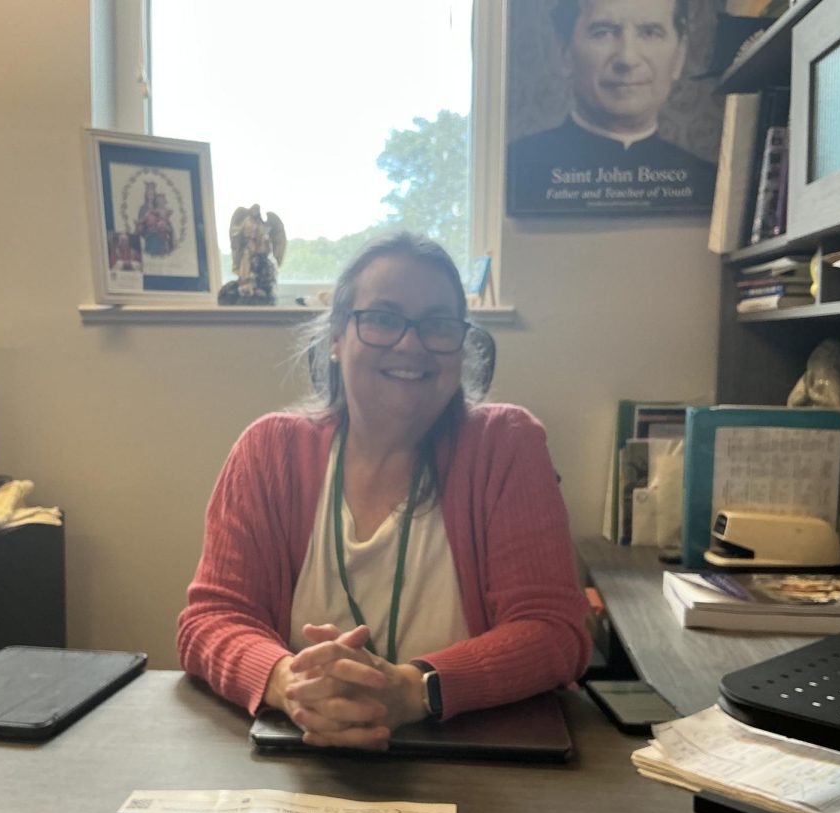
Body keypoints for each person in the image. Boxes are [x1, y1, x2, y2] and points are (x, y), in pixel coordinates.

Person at [178, 232, 591, 751]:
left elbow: (554, 632)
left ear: (461, 345)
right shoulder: (269, 450)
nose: (410, 345)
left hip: (476, 770)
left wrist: (414, 689)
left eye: (438, 324)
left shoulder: (506, 444)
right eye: (383, 318)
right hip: (298, 758)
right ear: (335, 337)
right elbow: (210, 622)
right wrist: (292, 685)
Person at [507, 0, 715, 214]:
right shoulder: (514, 172)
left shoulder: (711, 182)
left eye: (650, 33)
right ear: (565, 52)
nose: (627, 59)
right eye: (603, 33)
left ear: (679, 55)